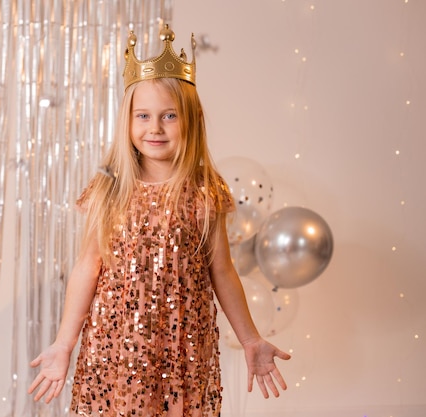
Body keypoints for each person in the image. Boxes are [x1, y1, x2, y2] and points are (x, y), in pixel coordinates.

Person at [28, 24, 291, 417]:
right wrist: (64, 344)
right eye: (144, 116)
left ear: (191, 120)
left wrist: (251, 339)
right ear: (128, 121)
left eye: (169, 116)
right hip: (116, 348)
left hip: (183, 347)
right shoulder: (110, 187)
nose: (155, 128)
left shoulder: (205, 190)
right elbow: (87, 266)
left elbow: (222, 270)